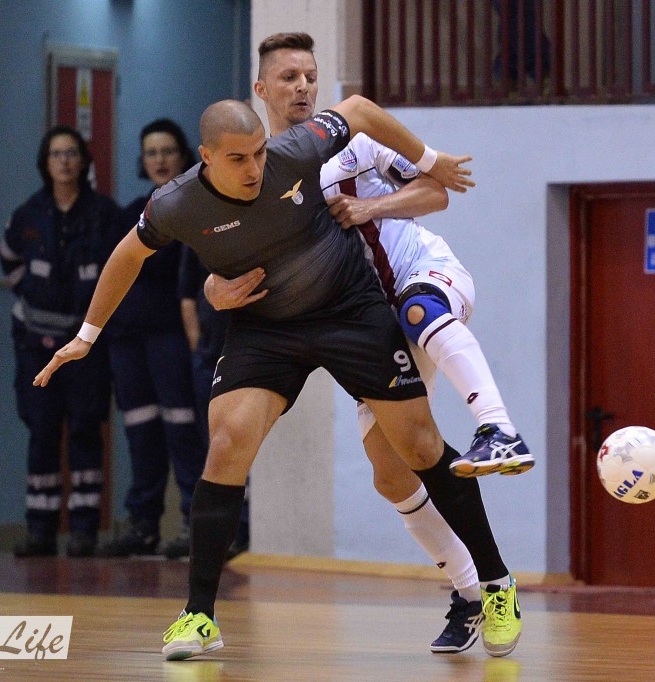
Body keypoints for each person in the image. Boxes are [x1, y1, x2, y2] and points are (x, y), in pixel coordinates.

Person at [32, 96, 521, 661]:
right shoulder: (176, 202)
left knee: (417, 446)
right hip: (265, 327)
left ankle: (495, 582)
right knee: (226, 443)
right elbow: (127, 255)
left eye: (259, 154)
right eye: (238, 159)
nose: (254, 169)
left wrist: (431, 159)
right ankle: (199, 615)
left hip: (348, 312)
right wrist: (87, 335)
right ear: (206, 157)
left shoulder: (294, 151)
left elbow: (360, 109)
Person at [246, 31, 530, 655]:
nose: (303, 87)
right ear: (262, 89)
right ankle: (472, 590)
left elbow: (437, 192)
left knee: (418, 307)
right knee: (392, 472)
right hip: (372, 326)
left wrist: (372, 209)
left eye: (310, 75)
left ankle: (499, 427)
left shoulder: (353, 140)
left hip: (425, 277)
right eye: (289, 77)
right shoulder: (260, 175)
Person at [0, 125, 120, 558]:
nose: (64, 161)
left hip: (85, 341)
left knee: (86, 427)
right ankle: (41, 529)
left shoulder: (105, 214)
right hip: (35, 342)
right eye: (56, 154)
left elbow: (121, 269)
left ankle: (84, 530)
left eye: (71, 153)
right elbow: (9, 258)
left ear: (83, 161)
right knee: (42, 429)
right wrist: (32, 295)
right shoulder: (28, 214)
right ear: (45, 163)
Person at [99, 119, 206, 558]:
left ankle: (194, 523)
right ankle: (142, 524)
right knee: (140, 432)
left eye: (167, 151)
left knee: (183, 430)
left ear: (184, 155)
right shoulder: (129, 215)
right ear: (142, 162)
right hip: (127, 340)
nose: (160, 160)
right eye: (151, 153)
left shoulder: (196, 210)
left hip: (172, 338)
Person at [176, 244, 245, 560]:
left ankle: (242, 531)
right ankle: (215, 535)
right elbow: (187, 297)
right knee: (213, 447)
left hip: (246, 354)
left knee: (242, 444)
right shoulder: (194, 235)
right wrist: (198, 349)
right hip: (208, 358)